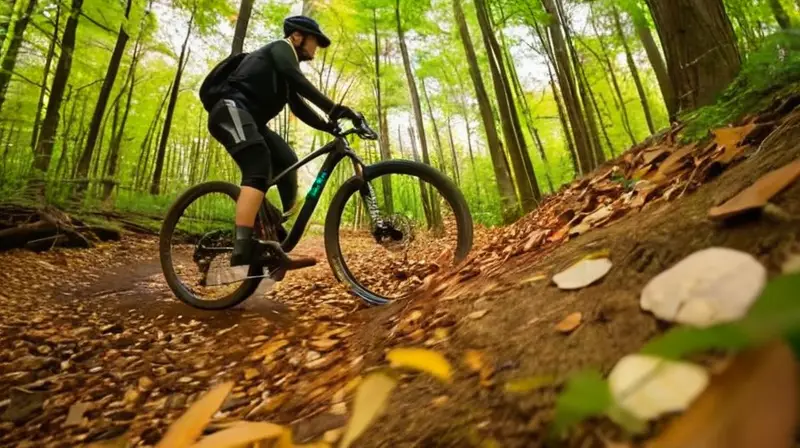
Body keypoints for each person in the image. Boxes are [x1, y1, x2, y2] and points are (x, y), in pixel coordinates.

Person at [203, 15, 360, 270]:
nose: (316, 48)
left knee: (287, 159)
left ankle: (272, 228)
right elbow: (295, 78)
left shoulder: (285, 72)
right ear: (297, 36)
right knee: (258, 162)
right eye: (315, 41)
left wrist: (331, 126)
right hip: (229, 109)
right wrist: (335, 108)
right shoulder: (280, 49)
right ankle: (243, 247)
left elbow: (300, 108)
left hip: (250, 119)